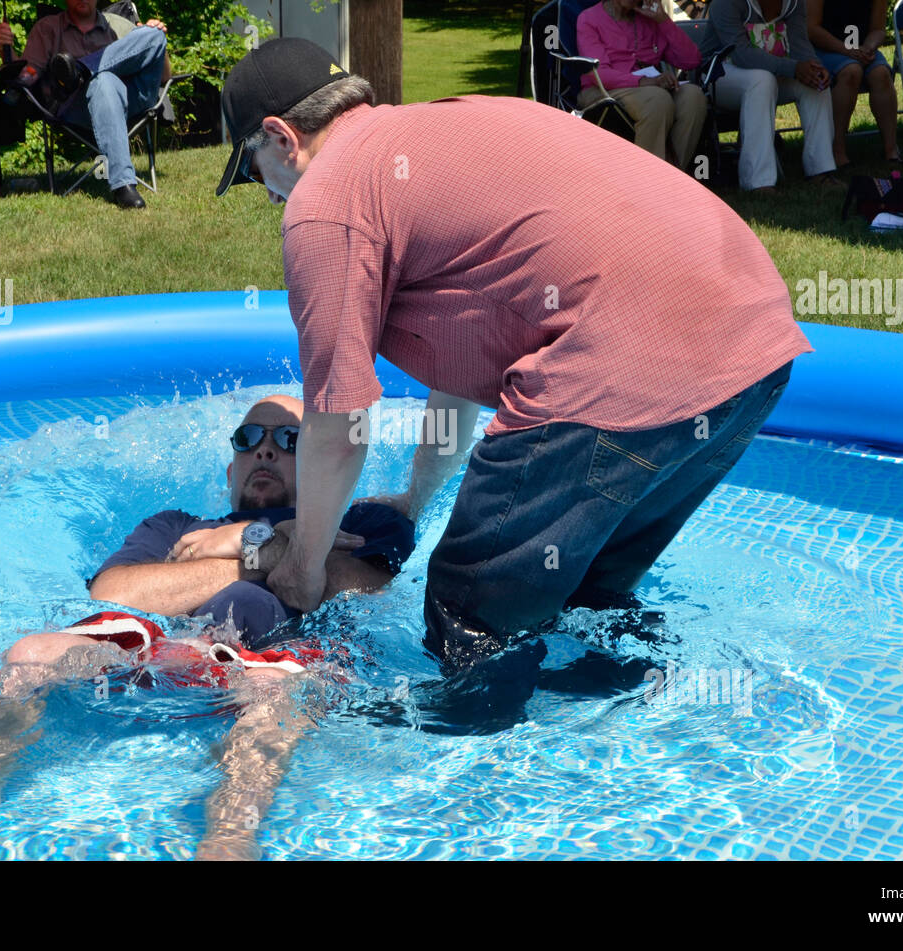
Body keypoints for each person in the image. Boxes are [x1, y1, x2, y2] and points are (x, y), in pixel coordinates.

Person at [213, 39, 811, 711]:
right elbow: (464, 366)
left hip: (628, 365)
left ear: (280, 136)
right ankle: (634, 741)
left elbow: (340, 426)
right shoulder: (442, 134)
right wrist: (414, 498)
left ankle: (463, 777)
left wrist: (300, 571)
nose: (266, 194)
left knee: (470, 603)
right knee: (586, 594)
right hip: (754, 347)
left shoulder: (326, 200)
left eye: (253, 170)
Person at [0, 395, 416, 860]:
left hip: (280, 657)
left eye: (288, 439)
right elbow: (112, 593)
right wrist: (253, 545)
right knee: (32, 651)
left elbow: (357, 584)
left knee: (273, 694)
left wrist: (266, 539)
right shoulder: (174, 524)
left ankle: (229, 839)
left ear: (322, 466)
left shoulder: (360, 518)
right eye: (248, 439)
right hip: (167, 650)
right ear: (229, 467)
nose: (264, 450)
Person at [0, 0, 172, 208]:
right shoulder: (48, 28)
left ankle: (81, 69)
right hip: (76, 107)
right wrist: (6, 50)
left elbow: (164, 77)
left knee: (155, 35)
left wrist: (153, 34)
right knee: (103, 81)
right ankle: (123, 185)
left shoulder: (119, 25)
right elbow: (27, 76)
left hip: (132, 100)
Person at [697, 0, 839, 192]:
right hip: (717, 76)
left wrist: (814, 66)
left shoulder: (793, 3)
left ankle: (821, 171)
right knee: (762, 80)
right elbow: (741, 55)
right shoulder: (725, 3)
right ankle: (758, 182)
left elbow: (800, 44)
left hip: (770, 72)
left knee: (815, 84)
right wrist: (794, 68)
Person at [575, 0, 708, 172]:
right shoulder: (589, 19)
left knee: (693, 96)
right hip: (601, 89)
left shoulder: (648, 19)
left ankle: (672, 175)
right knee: (657, 99)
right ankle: (646, 180)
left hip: (648, 88)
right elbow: (599, 74)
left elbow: (691, 60)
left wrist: (663, 21)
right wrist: (645, 81)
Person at [806, 0, 900, 166]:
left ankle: (891, 148)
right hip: (824, 49)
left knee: (881, 74)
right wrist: (847, 50)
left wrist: (868, 47)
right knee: (851, 72)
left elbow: (878, 29)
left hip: (860, 48)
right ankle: (837, 150)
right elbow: (811, 29)